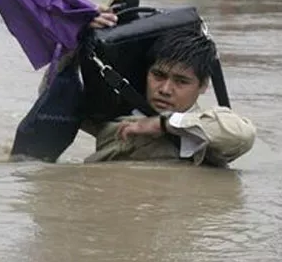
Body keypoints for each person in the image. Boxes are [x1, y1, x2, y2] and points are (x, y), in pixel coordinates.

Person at [38, 9, 256, 167]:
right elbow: (52, 100)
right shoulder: (114, 115)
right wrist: (75, 45)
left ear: (203, 85)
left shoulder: (204, 131)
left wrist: (162, 125)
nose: (165, 89)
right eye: (158, 75)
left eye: (181, 81)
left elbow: (243, 135)